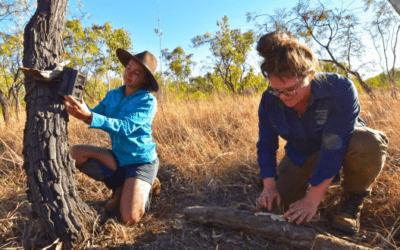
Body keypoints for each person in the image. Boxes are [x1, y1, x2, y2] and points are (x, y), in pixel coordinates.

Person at [256, 32, 388, 234]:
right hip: (302, 152)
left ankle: (352, 201)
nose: (283, 97)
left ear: (310, 74)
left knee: (368, 142)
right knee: (277, 207)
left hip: (343, 143)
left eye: (291, 89)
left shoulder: (340, 88)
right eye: (277, 90)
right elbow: (266, 144)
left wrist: (312, 198)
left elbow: (334, 145)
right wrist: (269, 185)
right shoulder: (269, 99)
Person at [63, 48, 160, 225]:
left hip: (140, 162)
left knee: (129, 218)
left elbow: (126, 127)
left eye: (136, 73)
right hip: (117, 157)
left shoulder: (148, 101)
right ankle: (121, 186)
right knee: (75, 153)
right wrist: (81, 108)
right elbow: (94, 115)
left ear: (145, 79)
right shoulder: (113, 94)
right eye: (128, 68)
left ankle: (149, 182)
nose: (128, 75)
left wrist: (89, 116)